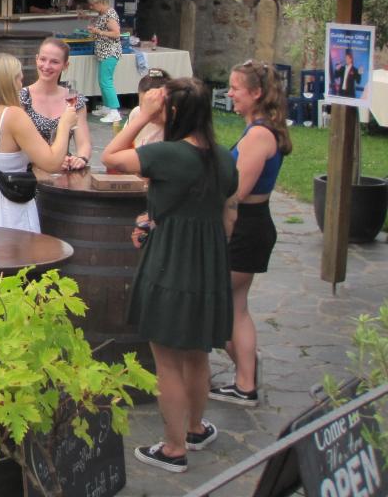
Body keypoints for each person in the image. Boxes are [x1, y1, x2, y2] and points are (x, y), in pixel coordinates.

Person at [102, 79, 236, 474]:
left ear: (173, 114)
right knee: (197, 352)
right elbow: (220, 210)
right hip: (209, 265)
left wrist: (140, 115)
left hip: (170, 266)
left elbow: (113, 156)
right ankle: (195, 427)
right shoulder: (224, 158)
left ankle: (174, 447)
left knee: (168, 362)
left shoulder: (167, 155)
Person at [210, 60, 291, 409]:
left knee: (218, 303)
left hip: (245, 227)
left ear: (256, 93)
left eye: (235, 88)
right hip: (252, 225)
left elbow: (236, 191)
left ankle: (246, 375)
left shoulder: (259, 134)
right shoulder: (258, 128)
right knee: (236, 307)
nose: (229, 93)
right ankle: (245, 381)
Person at [0, 53, 76, 232]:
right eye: (19, 79)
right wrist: (64, 125)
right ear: (9, 82)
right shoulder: (12, 116)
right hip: (6, 210)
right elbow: (52, 163)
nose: (21, 84)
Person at [18, 37, 91, 171]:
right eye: (43, 59)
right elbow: (15, 145)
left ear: (65, 65)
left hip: (62, 173)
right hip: (29, 173)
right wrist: (49, 161)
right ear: (36, 59)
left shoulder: (73, 99)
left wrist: (80, 159)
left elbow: (84, 143)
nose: (46, 66)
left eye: (54, 62)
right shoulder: (22, 97)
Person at [85, 0, 123, 124]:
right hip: (103, 52)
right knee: (103, 81)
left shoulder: (110, 14)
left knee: (106, 82)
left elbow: (116, 33)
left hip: (110, 52)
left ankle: (114, 111)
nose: (91, 7)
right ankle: (107, 107)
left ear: (100, 3)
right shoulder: (102, 14)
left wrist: (98, 31)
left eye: (92, 4)